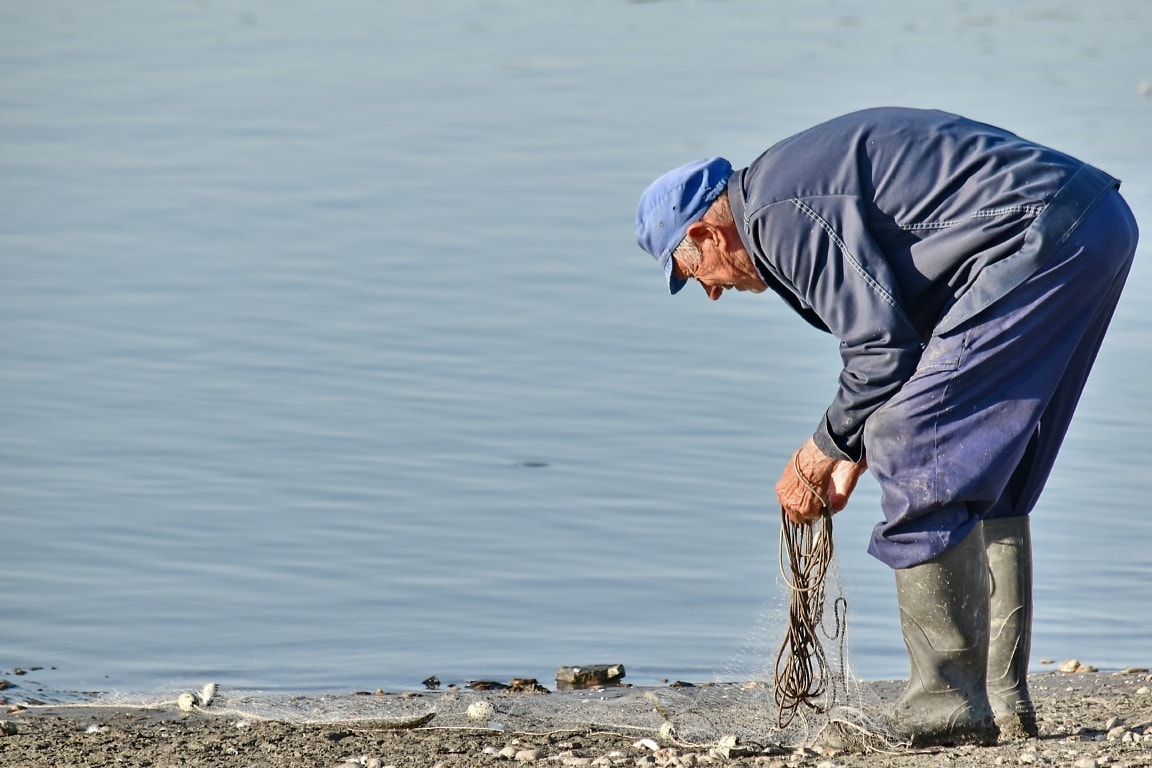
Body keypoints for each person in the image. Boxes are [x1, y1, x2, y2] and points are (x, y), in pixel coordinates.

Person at [634, 107, 1139, 747]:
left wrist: (819, 451)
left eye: (690, 274)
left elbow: (880, 351)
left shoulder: (776, 216)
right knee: (990, 456)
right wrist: (854, 448)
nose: (708, 292)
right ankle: (1003, 699)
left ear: (708, 234)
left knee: (915, 440)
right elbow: (917, 342)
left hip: (1040, 238)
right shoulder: (781, 191)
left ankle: (946, 705)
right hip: (1094, 223)